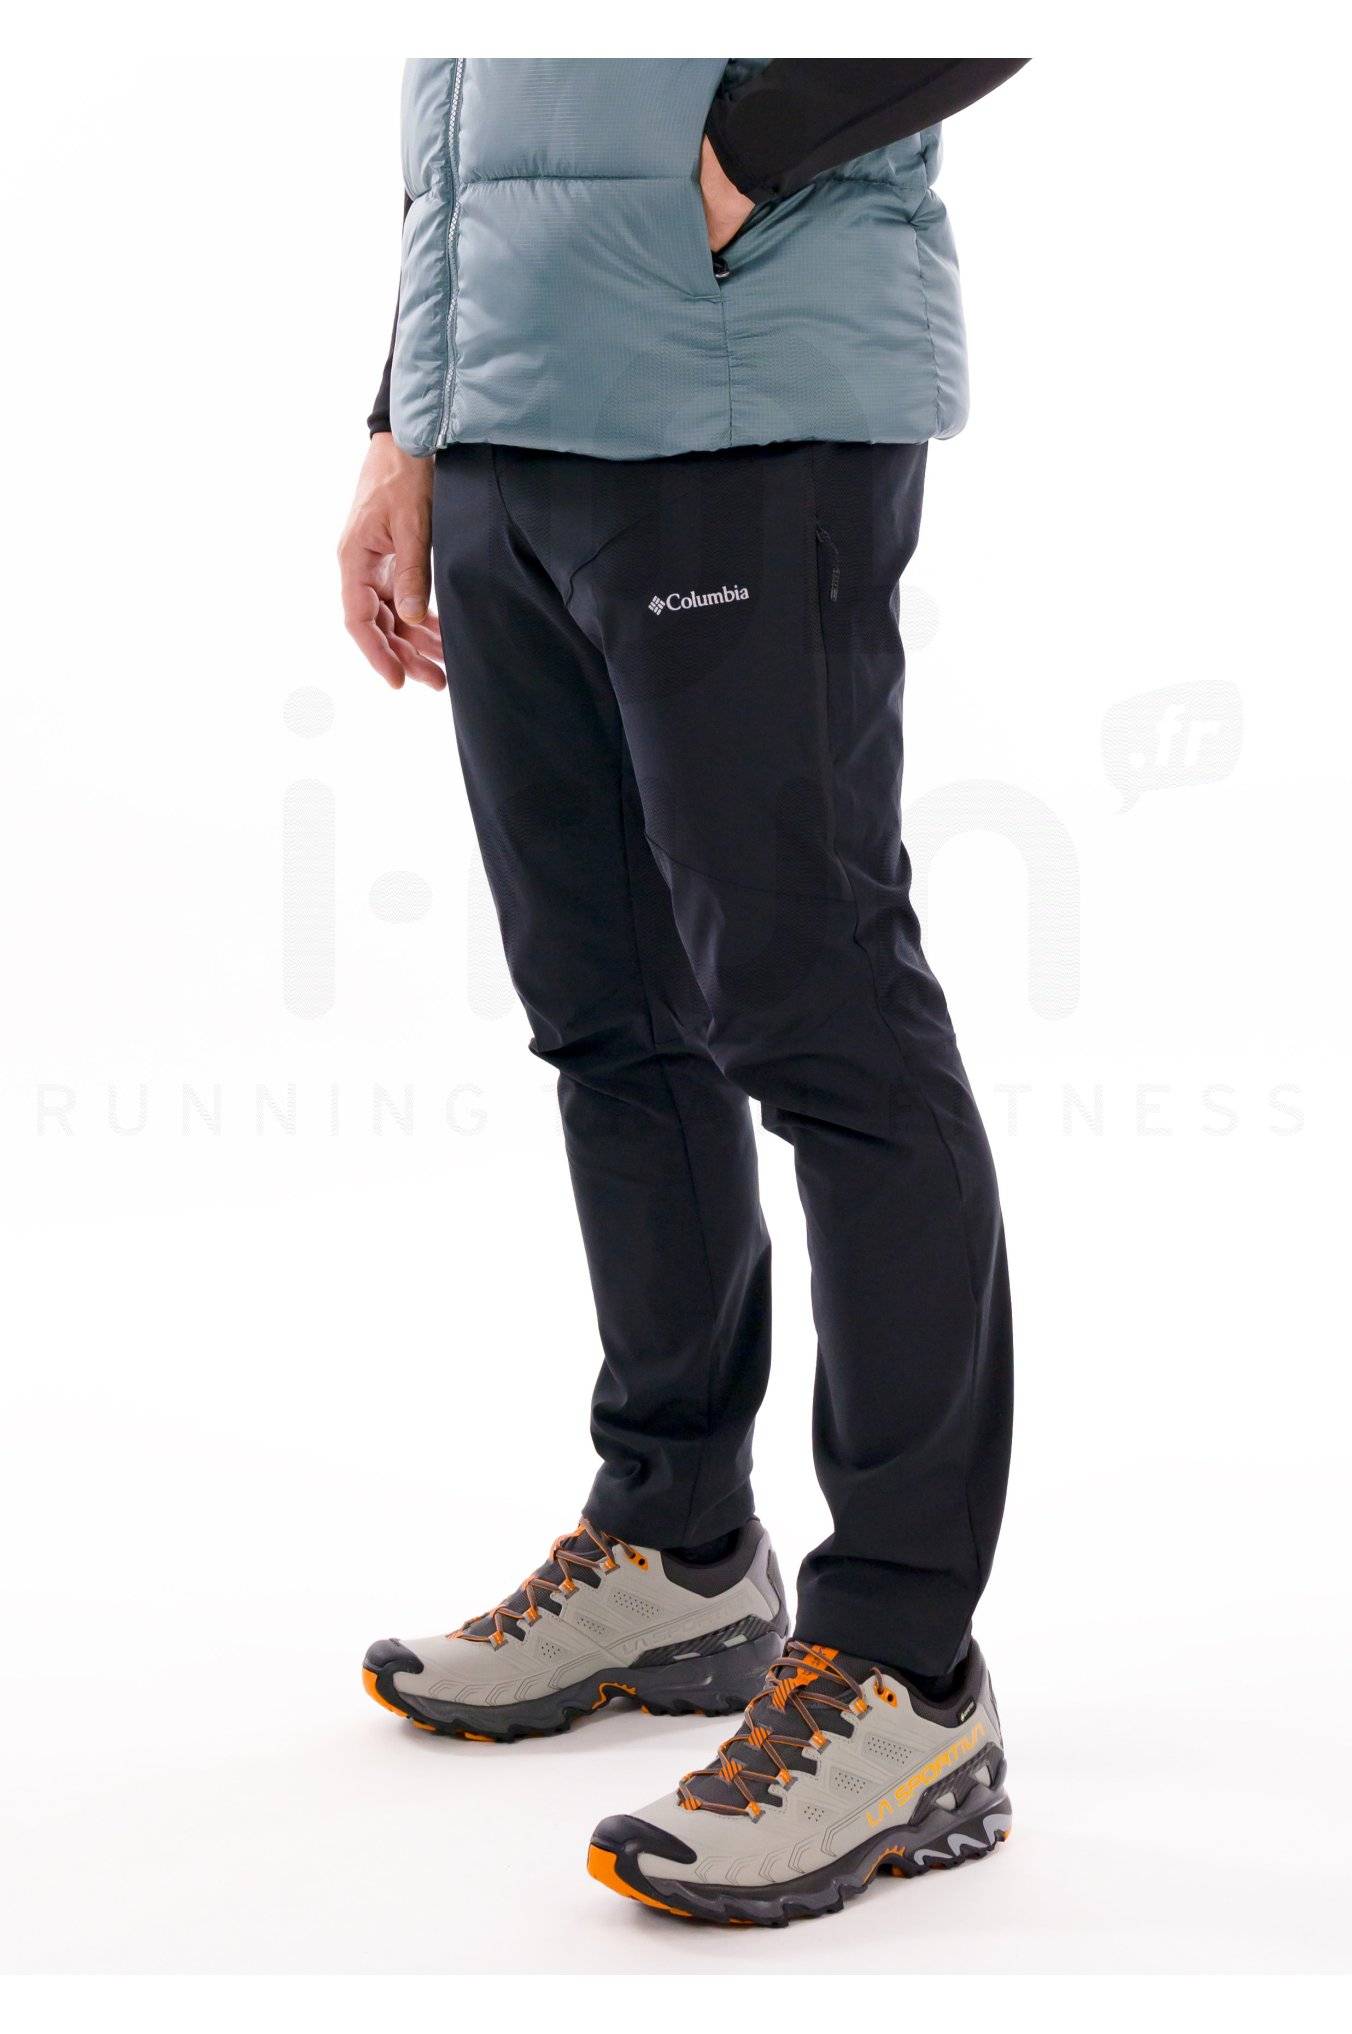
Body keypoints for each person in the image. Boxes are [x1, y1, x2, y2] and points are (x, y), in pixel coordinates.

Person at [343, 57, 1027, 1926]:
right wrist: (409, 412)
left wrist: (732, 162)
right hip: (512, 422)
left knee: (824, 1023)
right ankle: (677, 1543)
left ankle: (904, 1670)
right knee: (610, 1018)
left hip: (741, 405)